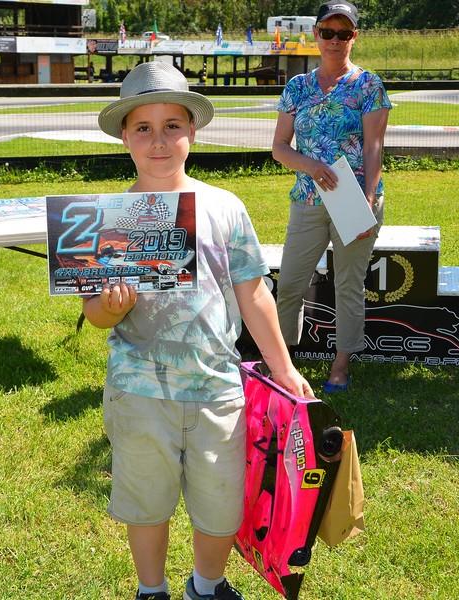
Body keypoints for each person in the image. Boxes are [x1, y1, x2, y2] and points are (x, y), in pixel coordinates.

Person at [89, 61, 314, 600]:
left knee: (221, 501)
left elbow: (254, 293)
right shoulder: (108, 216)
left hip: (218, 386)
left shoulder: (225, 207)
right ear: (125, 136)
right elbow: (94, 312)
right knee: (146, 501)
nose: (159, 140)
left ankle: (207, 586)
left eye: (173, 126)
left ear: (193, 131)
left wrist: (283, 370)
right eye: (143, 127)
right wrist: (112, 308)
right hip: (140, 389)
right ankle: (152, 590)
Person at [271, 0, 391, 393]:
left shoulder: (368, 86)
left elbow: (374, 147)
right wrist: (310, 166)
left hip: (354, 199)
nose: (334, 40)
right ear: (316, 35)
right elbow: (279, 148)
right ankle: (284, 363)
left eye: (343, 33)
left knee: (348, 285)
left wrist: (369, 199)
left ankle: (341, 365)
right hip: (307, 197)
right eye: (327, 32)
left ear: (354, 37)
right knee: (289, 283)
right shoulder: (297, 87)